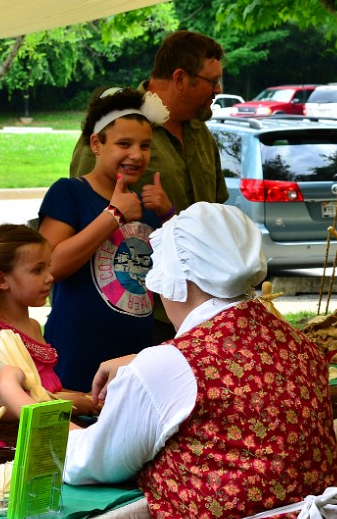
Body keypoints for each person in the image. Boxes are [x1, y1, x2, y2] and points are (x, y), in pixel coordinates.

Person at [0, 202, 337, 519]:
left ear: (177, 278)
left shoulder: (173, 364)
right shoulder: (296, 343)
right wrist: (143, 365)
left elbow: (85, 463)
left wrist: (21, 401)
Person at [69, 30, 229, 343]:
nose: (218, 90)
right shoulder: (117, 122)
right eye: (212, 81)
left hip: (203, 309)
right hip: (139, 309)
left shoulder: (201, 134)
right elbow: (82, 208)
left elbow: (217, 209)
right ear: (181, 78)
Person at [39, 88, 172, 392]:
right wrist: (113, 215)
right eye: (124, 143)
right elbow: (50, 266)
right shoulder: (69, 193)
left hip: (133, 361)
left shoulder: (146, 206)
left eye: (145, 145)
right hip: (74, 360)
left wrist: (169, 215)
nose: (137, 154)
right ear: (96, 144)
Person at [0, 223, 95, 428]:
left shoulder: (33, 325)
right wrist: (68, 404)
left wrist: (83, 397)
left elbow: (41, 389)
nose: (50, 277)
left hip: (40, 427)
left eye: (48, 267)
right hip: (5, 440)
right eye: (37, 270)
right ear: (1, 279)